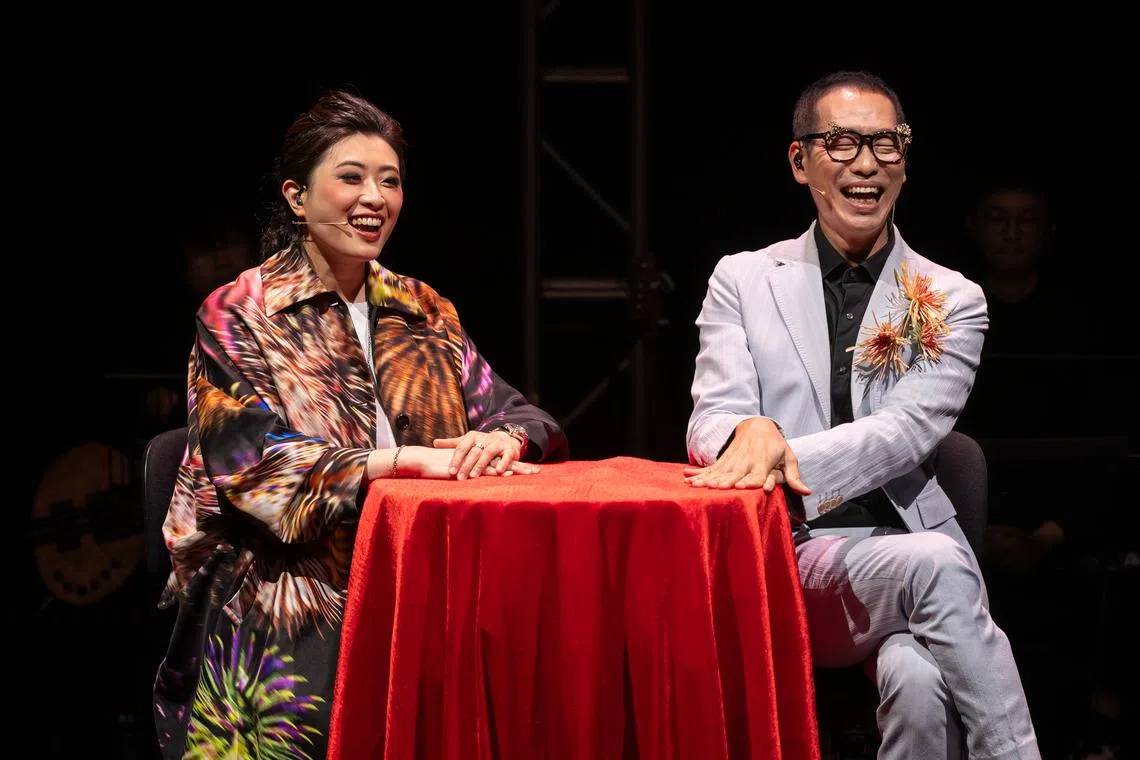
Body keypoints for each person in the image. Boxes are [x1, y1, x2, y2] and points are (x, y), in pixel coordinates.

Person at [152, 89, 568, 759]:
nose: (375, 197)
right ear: (296, 196)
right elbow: (254, 467)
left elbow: (522, 413)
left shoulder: (423, 308)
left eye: (390, 180)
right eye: (351, 177)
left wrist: (502, 437)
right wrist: (396, 464)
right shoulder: (238, 312)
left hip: (422, 573)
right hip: (284, 584)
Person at [683, 71, 1040, 759]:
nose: (867, 163)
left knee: (915, 678)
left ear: (905, 161)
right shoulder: (743, 279)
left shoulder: (948, 297)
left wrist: (781, 453)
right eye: (843, 142)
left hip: (905, 552)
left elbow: (908, 430)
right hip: (787, 554)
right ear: (800, 161)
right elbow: (710, 426)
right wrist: (745, 433)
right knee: (936, 562)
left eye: (886, 144)